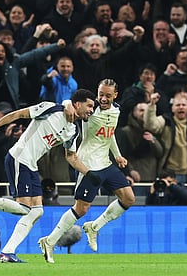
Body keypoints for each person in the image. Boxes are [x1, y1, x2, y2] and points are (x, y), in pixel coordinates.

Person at [0, 89, 96, 263]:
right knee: (24, 208)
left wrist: (89, 174)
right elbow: (19, 114)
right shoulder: (51, 108)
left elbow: (71, 157)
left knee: (37, 211)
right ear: (78, 104)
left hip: (31, 165)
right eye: (89, 105)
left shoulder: (73, 131)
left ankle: (8, 252)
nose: (92, 110)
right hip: (19, 157)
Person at [38, 79, 135, 264]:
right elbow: (70, 104)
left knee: (128, 198)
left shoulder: (116, 110)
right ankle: (49, 242)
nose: (103, 99)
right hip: (88, 165)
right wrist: (67, 103)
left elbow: (110, 132)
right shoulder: (91, 110)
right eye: (101, 95)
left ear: (115, 95)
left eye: (108, 95)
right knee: (81, 209)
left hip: (106, 163)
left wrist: (118, 155)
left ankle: (94, 227)